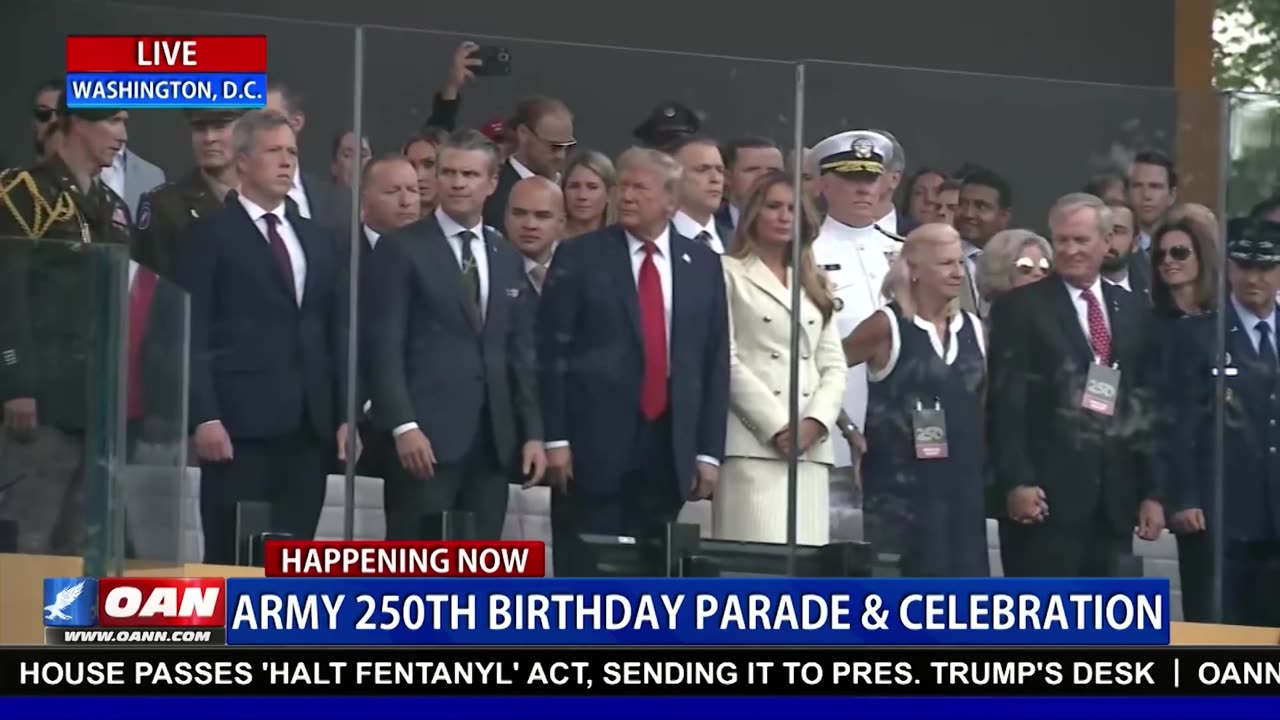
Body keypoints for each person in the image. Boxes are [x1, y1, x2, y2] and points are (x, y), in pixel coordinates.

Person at [176, 110, 353, 564]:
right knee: (236, 559)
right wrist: (205, 416)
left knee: (291, 564)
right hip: (238, 430)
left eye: (292, 152)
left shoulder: (317, 239)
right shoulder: (209, 234)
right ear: (242, 161)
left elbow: (336, 331)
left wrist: (344, 414)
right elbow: (187, 330)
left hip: (308, 433)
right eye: (274, 151)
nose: (287, 161)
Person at [538, 147, 730, 544]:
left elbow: (713, 362)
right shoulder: (580, 256)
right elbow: (550, 353)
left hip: (668, 444)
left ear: (671, 200)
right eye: (622, 187)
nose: (625, 197)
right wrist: (555, 439)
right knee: (588, 569)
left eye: (639, 188)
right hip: (592, 445)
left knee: (652, 572)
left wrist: (708, 452)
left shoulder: (704, 264)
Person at [363, 129, 544, 541]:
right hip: (424, 441)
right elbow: (383, 347)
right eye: (448, 173)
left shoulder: (506, 256)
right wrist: (403, 426)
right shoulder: (401, 248)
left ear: (492, 183)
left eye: (469, 174)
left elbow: (521, 355)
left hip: (492, 443)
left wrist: (533, 432)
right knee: (414, 573)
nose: (458, 183)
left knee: (478, 576)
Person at [988, 193, 1163, 577]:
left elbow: (1146, 404)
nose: (1070, 250)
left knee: (1107, 629)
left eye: (1081, 240)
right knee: (1045, 629)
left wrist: (1153, 492)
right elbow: (1006, 403)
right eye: (1062, 240)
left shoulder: (1134, 310)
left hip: (1115, 500)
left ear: (1106, 243)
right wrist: (1018, 481)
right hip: (1046, 500)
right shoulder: (1020, 307)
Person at [0, 101, 132, 555]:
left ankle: (63, 629)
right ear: (77, 123)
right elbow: (8, 292)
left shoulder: (110, 206)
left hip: (94, 407)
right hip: (42, 405)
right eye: (113, 121)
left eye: (125, 123)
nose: (122, 134)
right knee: (28, 539)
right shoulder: (24, 192)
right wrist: (17, 382)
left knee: (79, 552)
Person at [844, 224, 989, 576]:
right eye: (945, 264)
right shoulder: (886, 325)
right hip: (900, 490)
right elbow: (820, 369)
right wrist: (848, 429)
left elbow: (981, 402)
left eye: (958, 263)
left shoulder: (974, 328)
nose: (957, 272)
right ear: (914, 271)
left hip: (961, 485)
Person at [715, 171, 846, 544]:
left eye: (792, 208)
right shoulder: (728, 273)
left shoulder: (814, 281)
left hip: (809, 450)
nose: (784, 216)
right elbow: (727, 357)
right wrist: (778, 427)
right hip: (753, 445)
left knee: (805, 570)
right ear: (753, 213)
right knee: (755, 565)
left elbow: (833, 364)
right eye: (773, 206)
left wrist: (815, 422)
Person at [1166, 218, 1280, 626]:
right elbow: (1176, 423)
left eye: (1265, 268)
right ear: (1229, 268)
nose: (1254, 278)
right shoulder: (1198, 335)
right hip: (1219, 513)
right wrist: (1184, 497)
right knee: (1218, 631)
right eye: (1244, 266)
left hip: (1275, 514)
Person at [808, 130, 901, 511]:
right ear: (824, 184)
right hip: (836, 431)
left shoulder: (905, 250)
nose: (864, 190)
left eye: (870, 179)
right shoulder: (806, 253)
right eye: (851, 179)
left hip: (901, 431)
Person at [134, 109, 243, 278]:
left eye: (220, 126)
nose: (209, 138)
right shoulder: (165, 206)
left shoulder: (267, 200)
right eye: (199, 128)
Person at [560, 150, 615, 238]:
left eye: (592, 187)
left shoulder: (622, 242)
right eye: (574, 186)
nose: (582, 196)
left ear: (609, 193)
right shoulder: (547, 242)